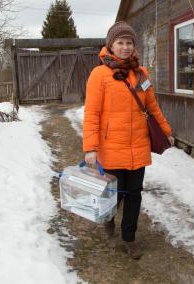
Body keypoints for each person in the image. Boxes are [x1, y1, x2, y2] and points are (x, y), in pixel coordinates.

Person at [82, 21, 174, 260]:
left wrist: (166, 131)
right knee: (115, 194)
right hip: (111, 147)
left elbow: (152, 108)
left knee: (135, 195)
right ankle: (109, 217)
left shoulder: (142, 74)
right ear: (110, 45)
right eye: (120, 42)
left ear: (134, 46)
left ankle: (129, 238)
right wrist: (90, 147)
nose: (125, 47)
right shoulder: (99, 74)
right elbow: (92, 113)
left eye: (129, 43)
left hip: (139, 146)